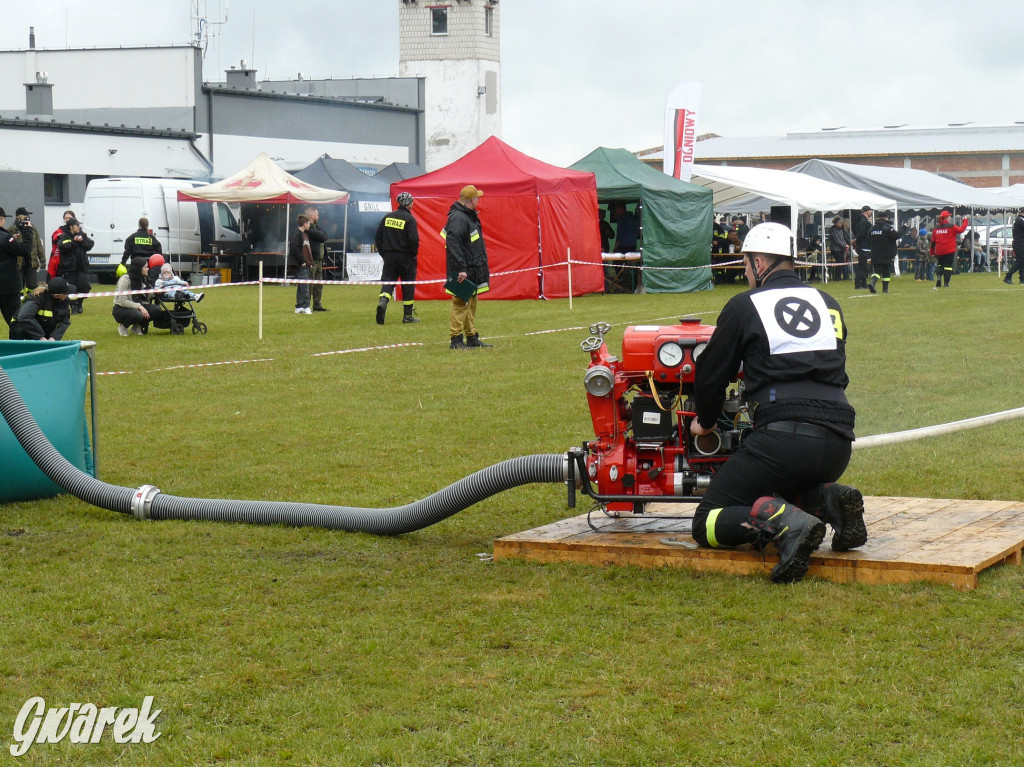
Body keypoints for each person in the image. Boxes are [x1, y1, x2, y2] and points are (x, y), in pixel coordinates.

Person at [688, 222, 865, 584]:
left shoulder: (744, 306)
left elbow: (710, 374)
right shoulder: (827, 302)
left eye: (746, 264)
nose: (745, 273)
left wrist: (704, 423)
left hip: (783, 440)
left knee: (706, 521)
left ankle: (785, 525)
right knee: (780, 488)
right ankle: (826, 499)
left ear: (758, 262)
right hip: (837, 443)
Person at [444, 185, 490, 349]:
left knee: (470, 305)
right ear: (472, 200)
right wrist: (461, 268)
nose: (478, 199)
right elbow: (453, 243)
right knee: (460, 304)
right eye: (477, 197)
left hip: (472, 269)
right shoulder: (459, 218)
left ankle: (471, 337)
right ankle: (456, 340)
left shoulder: (468, 216)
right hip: (463, 270)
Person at [374, 192, 420, 325]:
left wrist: (384, 253)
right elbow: (414, 240)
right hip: (406, 257)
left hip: (389, 257)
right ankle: (407, 316)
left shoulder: (387, 217)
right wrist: (412, 254)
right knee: (408, 285)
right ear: (408, 204)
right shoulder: (410, 219)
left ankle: (383, 302)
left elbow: (378, 237)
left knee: (388, 283)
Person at [112, 257, 168, 336]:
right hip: (121, 308)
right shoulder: (125, 279)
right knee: (138, 314)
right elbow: (123, 301)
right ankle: (123, 327)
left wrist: (155, 292)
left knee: (157, 310)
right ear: (138, 268)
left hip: (139, 305)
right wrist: (140, 307)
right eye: (145, 267)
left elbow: (146, 295)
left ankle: (137, 327)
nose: (148, 269)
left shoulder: (144, 278)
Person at [56, 218, 94, 315]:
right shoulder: (64, 236)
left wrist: (82, 241)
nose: (79, 227)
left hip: (82, 266)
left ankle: (80, 302)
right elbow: (63, 246)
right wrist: (74, 241)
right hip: (69, 267)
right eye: (77, 225)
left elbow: (90, 244)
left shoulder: (82, 235)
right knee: (72, 288)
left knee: (85, 286)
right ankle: (73, 306)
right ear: (71, 227)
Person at [0, 206, 29, 326]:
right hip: (7, 288)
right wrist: (27, 232)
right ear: (1, 219)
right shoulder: (5, 238)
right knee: (16, 322)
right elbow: (26, 250)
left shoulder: (6, 238)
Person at [930, 210, 968, 290]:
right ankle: (946, 283)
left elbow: (933, 241)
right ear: (947, 217)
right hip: (949, 250)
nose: (950, 218)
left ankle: (939, 278)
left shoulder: (936, 228)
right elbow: (961, 230)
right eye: (949, 216)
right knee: (948, 267)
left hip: (939, 250)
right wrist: (965, 221)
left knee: (940, 265)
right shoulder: (951, 226)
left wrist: (932, 251)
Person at [12, 207, 44, 294]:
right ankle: (20, 306)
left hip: (31, 262)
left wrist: (42, 260)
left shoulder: (32, 228)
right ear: (18, 217)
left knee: (33, 287)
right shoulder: (11, 230)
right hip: (18, 264)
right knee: (19, 287)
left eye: (28, 216)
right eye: (25, 216)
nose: (27, 218)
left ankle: (31, 304)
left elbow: (38, 245)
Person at [304, 207, 330, 312]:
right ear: (312, 216)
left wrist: (322, 235)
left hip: (319, 260)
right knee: (310, 283)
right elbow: (320, 235)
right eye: (317, 214)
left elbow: (325, 235)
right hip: (312, 259)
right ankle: (306, 305)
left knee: (319, 283)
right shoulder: (308, 228)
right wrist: (321, 235)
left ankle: (317, 304)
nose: (319, 216)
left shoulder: (316, 227)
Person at [868, 211, 899, 293]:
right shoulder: (887, 227)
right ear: (885, 218)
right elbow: (896, 236)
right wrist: (904, 228)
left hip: (875, 253)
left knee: (877, 270)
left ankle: (873, 282)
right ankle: (885, 289)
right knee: (886, 272)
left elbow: (868, 239)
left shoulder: (872, 228)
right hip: (886, 253)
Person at [289, 213, 314, 315]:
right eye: (308, 223)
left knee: (301, 286)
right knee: (305, 286)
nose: (309, 225)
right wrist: (302, 261)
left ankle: (299, 306)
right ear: (304, 223)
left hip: (306, 264)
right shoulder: (297, 234)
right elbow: (294, 249)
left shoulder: (305, 234)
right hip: (301, 265)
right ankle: (306, 306)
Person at [852, 206, 873, 289]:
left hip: (863, 246)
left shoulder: (860, 221)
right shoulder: (864, 222)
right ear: (866, 212)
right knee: (862, 266)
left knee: (864, 266)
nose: (871, 212)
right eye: (870, 211)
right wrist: (857, 240)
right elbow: (861, 234)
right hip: (863, 246)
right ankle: (858, 284)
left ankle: (863, 284)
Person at [827, 215, 851, 281]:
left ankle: (840, 276)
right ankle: (837, 277)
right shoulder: (833, 230)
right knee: (839, 262)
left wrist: (846, 244)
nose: (841, 224)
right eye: (840, 222)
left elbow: (843, 239)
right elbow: (837, 240)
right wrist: (844, 245)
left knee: (841, 262)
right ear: (836, 223)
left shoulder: (841, 229)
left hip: (841, 249)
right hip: (835, 249)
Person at [1005, 208, 1024, 285]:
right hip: (1019, 244)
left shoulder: (1019, 220)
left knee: (1022, 261)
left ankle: (1022, 279)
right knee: (1020, 261)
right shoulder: (1019, 220)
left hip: (1020, 244)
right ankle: (1008, 276)